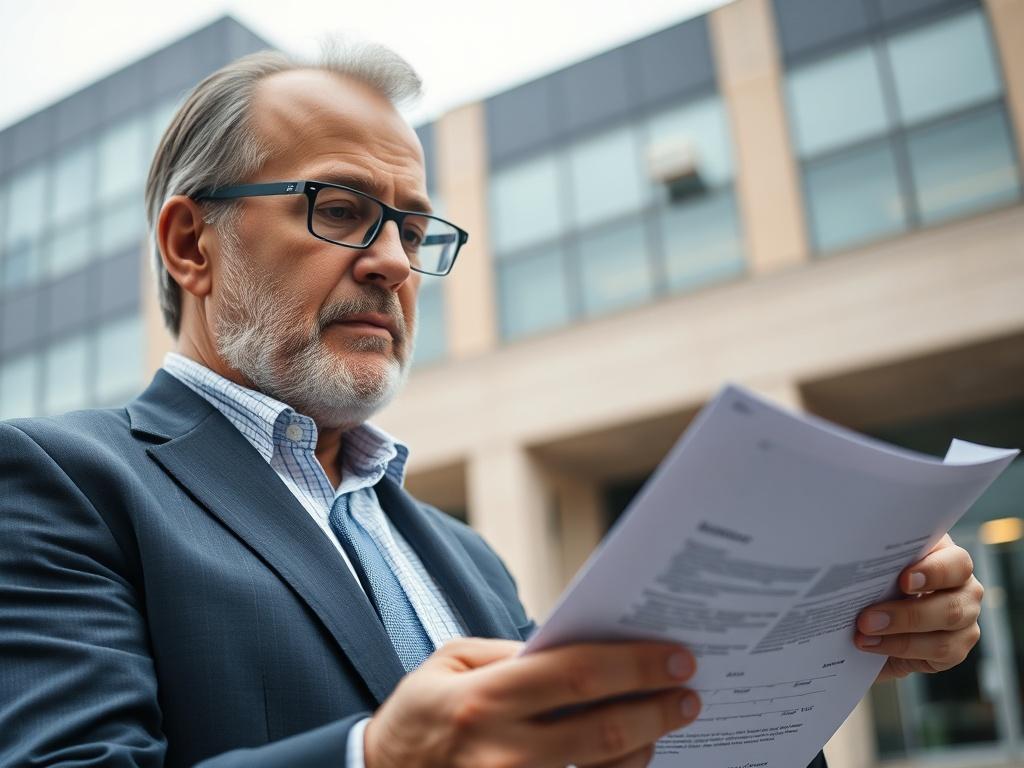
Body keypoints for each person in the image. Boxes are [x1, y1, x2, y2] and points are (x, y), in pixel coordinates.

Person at [0, 43, 984, 768]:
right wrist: (373, 761)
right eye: (340, 210)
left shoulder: (461, 553)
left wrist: (816, 645)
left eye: (415, 228)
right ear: (189, 243)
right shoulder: (61, 485)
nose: (391, 261)